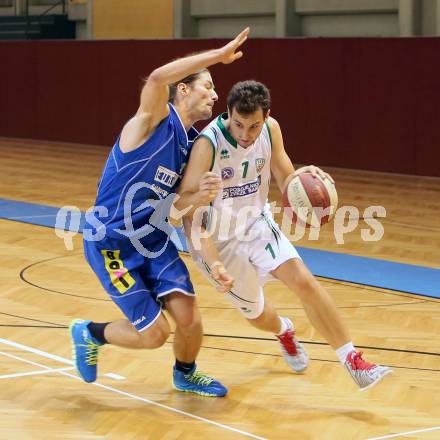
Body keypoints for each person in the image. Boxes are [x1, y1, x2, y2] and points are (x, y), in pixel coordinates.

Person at [177, 80, 392, 390]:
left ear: (266, 117)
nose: (245, 134)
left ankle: (353, 360)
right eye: (238, 124)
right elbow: (190, 215)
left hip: (257, 222)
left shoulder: (271, 130)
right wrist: (214, 263)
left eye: (253, 126)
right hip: (218, 238)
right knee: (257, 314)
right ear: (228, 113)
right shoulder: (208, 146)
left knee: (304, 281)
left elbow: (285, 178)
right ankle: (283, 330)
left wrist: (307, 179)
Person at [69, 28, 249, 397]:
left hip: (151, 242)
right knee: (154, 335)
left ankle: (185, 373)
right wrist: (219, 54)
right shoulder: (151, 119)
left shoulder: (190, 148)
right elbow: (156, 78)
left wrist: (199, 200)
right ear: (183, 89)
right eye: (208, 86)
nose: (215, 95)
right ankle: (89, 332)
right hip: (111, 245)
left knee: (190, 320)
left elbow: (176, 213)